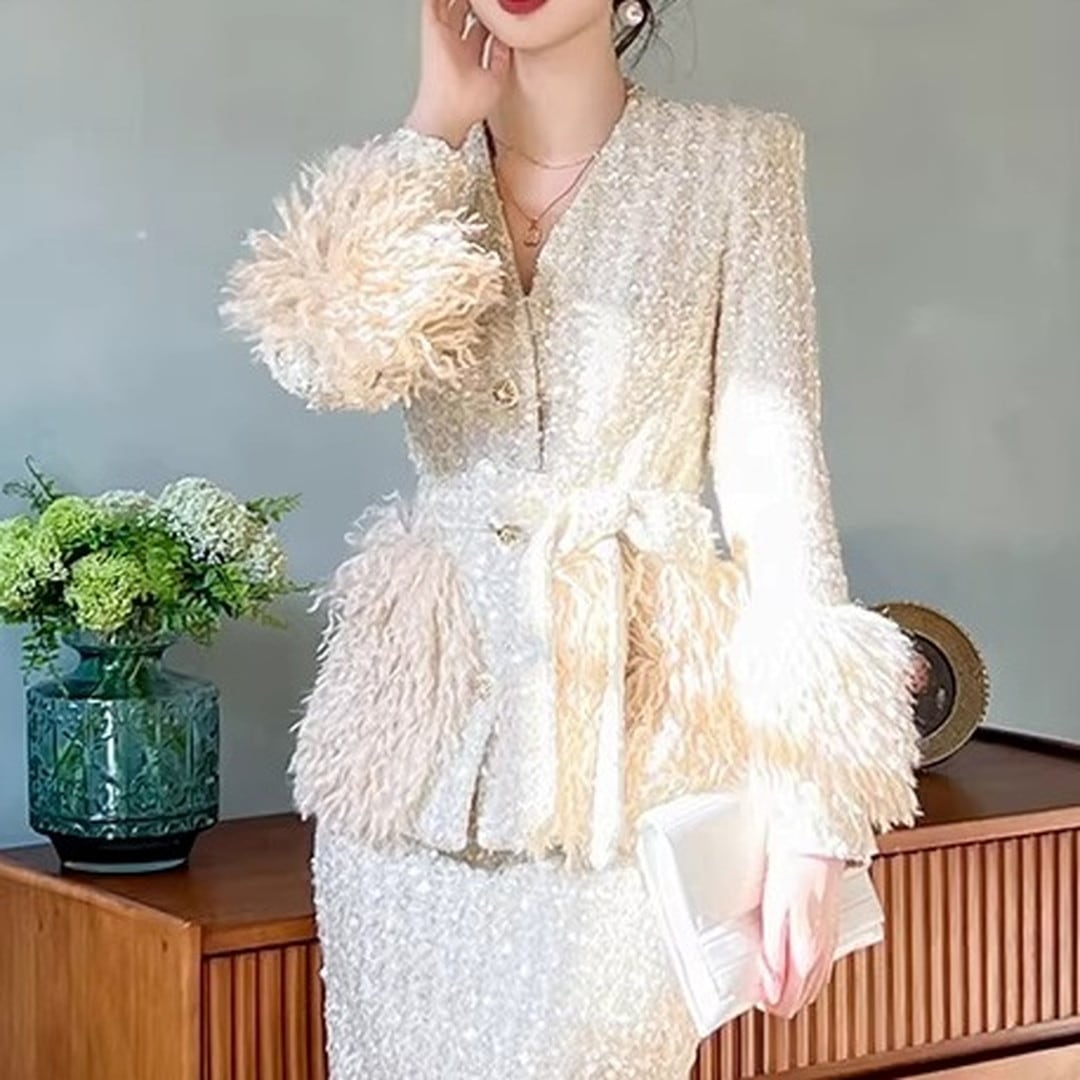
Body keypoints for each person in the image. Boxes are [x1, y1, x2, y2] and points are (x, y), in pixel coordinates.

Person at [221, 0, 924, 1075]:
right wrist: (432, 126)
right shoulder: (419, 178)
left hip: (632, 770)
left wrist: (814, 815)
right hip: (413, 783)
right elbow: (323, 367)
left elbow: (779, 489)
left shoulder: (735, 162)